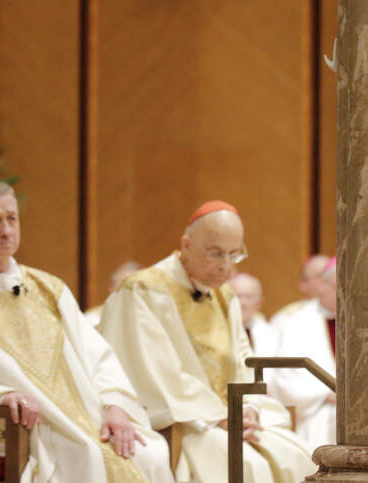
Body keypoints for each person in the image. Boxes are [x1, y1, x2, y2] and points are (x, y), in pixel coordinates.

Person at [0, 178, 173, 482]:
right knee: (85, 455)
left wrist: (116, 406)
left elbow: (98, 357)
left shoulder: (49, 288)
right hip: (17, 425)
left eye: (12, 218)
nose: (7, 231)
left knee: (151, 453)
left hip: (88, 417)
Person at [101, 201, 317, 483]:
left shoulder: (224, 295)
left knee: (303, 458)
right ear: (186, 245)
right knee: (247, 467)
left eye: (234, 254)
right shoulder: (144, 291)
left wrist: (248, 408)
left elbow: (242, 360)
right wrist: (220, 416)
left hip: (231, 420)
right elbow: (158, 374)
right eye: (215, 253)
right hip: (183, 423)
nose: (225, 266)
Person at [269, 259, 337, 447]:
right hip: (317, 413)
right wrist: (326, 393)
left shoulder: (363, 320)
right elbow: (286, 374)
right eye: (336, 287)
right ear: (322, 286)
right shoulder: (298, 322)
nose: (342, 294)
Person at [270, 254, 332, 328]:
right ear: (303, 284)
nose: (330, 280)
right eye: (321, 276)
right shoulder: (286, 319)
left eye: (332, 275)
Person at [227, 272, 276, 356]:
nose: (243, 303)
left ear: (259, 302)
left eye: (249, 297)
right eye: (238, 296)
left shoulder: (270, 333)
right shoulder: (216, 331)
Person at [84, 261, 140, 328]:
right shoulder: (93, 318)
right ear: (111, 288)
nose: (132, 292)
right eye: (125, 285)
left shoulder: (145, 316)